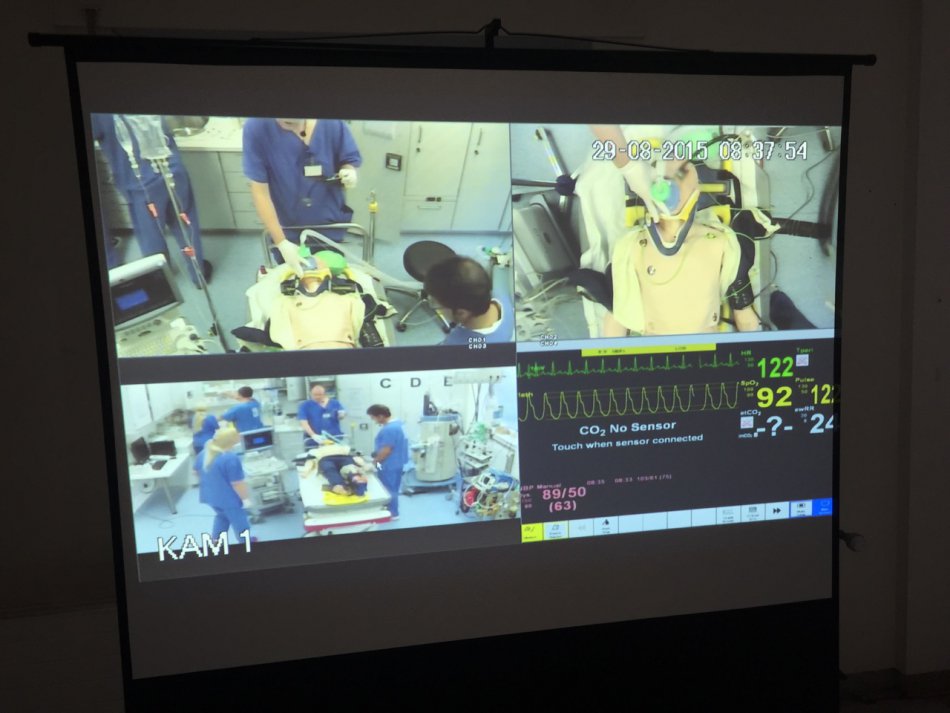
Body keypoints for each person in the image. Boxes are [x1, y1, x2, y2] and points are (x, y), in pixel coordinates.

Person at [596, 133, 761, 336]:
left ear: (696, 191)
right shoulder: (630, 246)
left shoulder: (720, 241)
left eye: (682, 171)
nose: (668, 182)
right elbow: (617, 318)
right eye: (660, 175)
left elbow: (744, 314)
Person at [91, 114, 212, 285]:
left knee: (151, 237)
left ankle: (161, 280)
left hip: (140, 186)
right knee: (185, 225)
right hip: (173, 173)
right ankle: (198, 273)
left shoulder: (97, 112)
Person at [242, 118, 362, 275]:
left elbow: (348, 158)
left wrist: (349, 170)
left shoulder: (331, 123)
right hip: (287, 229)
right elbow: (260, 191)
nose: (286, 123)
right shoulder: (257, 126)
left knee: (329, 275)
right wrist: (281, 242)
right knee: (295, 279)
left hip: (328, 224)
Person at [423, 256, 514, 345]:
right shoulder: (504, 300)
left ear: (461, 312)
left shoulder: (456, 343)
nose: (437, 308)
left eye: (437, 304)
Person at [194, 425, 253, 542]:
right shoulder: (230, 458)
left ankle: (215, 543)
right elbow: (237, 483)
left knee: (222, 518)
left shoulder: (204, 453)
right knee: (241, 526)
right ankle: (246, 544)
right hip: (229, 501)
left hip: (211, 497)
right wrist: (245, 499)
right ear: (232, 441)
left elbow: (196, 472)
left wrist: (213, 481)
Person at [366, 405, 409, 519]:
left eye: (373, 418)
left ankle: (392, 513)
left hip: (387, 464)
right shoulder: (399, 424)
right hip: (397, 463)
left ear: (381, 416)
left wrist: (373, 463)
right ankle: (391, 510)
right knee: (393, 487)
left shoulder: (389, 429)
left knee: (388, 488)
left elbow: (386, 450)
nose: (374, 421)